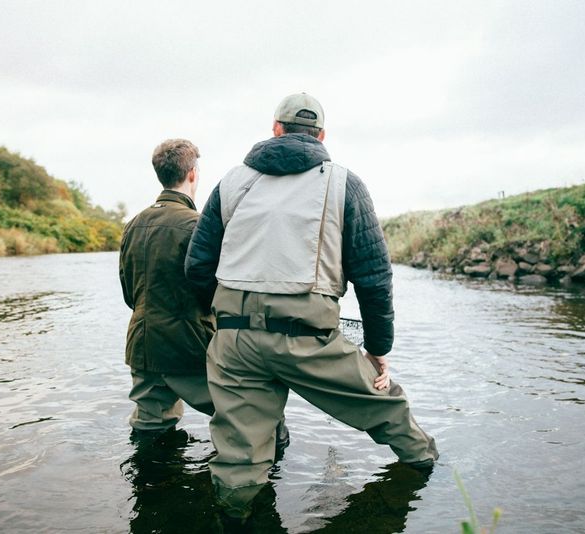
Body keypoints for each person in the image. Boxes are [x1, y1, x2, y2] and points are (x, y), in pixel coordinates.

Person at [185, 93, 439, 520]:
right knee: (389, 409)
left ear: (275, 129)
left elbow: (197, 268)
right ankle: (430, 485)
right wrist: (378, 349)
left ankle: (237, 519)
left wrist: (226, 328)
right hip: (309, 339)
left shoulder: (229, 182)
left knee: (239, 464)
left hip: (234, 340)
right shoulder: (344, 183)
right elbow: (374, 278)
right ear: (321, 135)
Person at [119, 139, 290, 449]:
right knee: (256, 416)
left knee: (150, 430)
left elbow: (129, 292)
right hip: (190, 346)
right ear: (193, 174)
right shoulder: (199, 226)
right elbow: (215, 292)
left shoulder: (133, 225)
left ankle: (151, 493)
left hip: (142, 346)